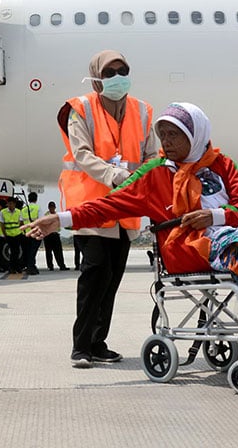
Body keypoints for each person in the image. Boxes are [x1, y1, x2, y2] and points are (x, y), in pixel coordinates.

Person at [25, 102, 238, 359]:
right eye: (162, 135)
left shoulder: (221, 164)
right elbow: (108, 206)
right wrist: (62, 219)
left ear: (195, 135)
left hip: (226, 235)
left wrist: (216, 215)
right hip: (188, 247)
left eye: (174, 134)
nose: (166, 142)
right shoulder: (155, 173)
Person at [55, 50, 157, 368]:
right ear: (97, 76)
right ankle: (81, 346)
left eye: (122, 70)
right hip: (92, 206)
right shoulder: (80, 108)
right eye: (109, 72)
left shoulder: (142, 110)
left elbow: (152, 154)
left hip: (126, 208)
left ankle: (98, 343)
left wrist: (147, 180)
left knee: (112, 279)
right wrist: (116, 175)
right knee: (94, 274)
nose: (117, 77)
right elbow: (82, 153)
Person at [0, 196, 24, 273]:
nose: (10, 206)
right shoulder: (3, 212)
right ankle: (13, 267)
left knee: (16, 252)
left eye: (12, 204)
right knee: (13, 252)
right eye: (9, 204)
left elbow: (21, 223)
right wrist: (5, 234)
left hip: (17, 234)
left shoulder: (19, 212)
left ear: (14, 204)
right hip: (9, 235)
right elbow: (2, 224)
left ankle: (16, 267)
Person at [43, 202, 68, 271]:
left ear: (55, 207)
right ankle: (50, 266)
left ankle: (62, 265)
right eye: (51, 207)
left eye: (53, 207)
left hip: (55, 234)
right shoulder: (46, 215)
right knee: (48, 252)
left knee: (59, 251)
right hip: (48, 235)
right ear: (48, 208)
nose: (52, 208)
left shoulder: (57, 215)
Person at [21, 192, 42, 275]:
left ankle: (30, 266)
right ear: (36, 199)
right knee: (33, 252)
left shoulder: (24, 209)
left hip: (27, 233)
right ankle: (31, 267)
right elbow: (41, 220)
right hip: (36, 233)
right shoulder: (38, 208)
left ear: (28, 199)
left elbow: (21, 222)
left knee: (28, 251)